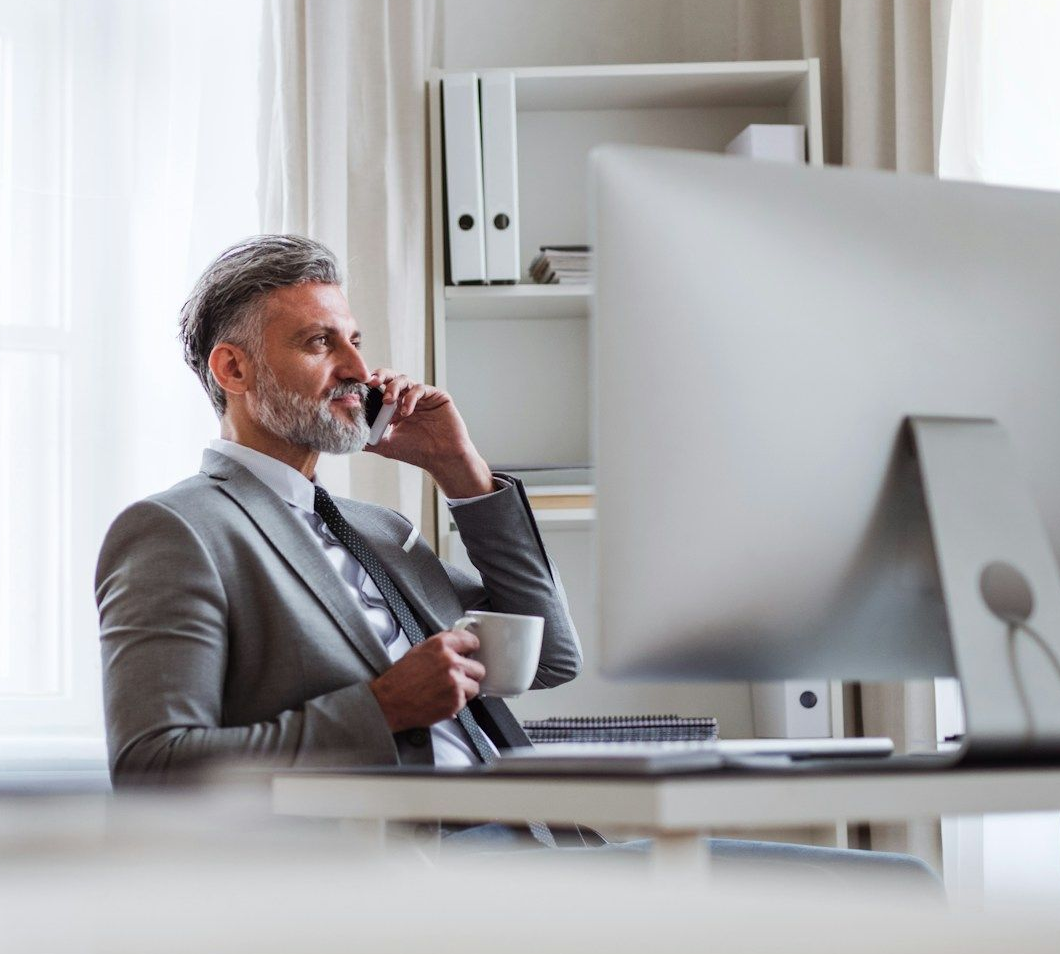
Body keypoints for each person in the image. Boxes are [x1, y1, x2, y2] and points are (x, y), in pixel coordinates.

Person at [97, 236, 937, 888]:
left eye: (355, 340)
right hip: (403, 882)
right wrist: (379, 710)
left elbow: (549, 656)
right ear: (233, 368)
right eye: (321, 343)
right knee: (878, 900)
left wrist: (467, 479)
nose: (358, 369)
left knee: (888, 891)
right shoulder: (178, 531)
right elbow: (153, 769)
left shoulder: (376, 531)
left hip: (534, 851)